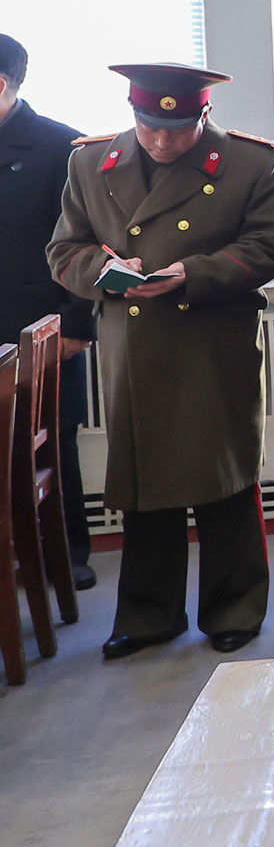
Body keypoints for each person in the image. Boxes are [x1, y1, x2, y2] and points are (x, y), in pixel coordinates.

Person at [47, 63, 274, 658]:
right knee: (143, 480)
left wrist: (193, 273)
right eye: (149, 126)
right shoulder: (91, 162)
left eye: (177, 129)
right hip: (134, 346)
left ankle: (234, 607)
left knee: (225, 480)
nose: (161, 141)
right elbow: (64, 248)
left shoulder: (253, 163)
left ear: (203, 115)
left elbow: (271, 245)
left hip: (212, 342)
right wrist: (105, 276)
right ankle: (149, 614)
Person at [0, 33, 98, 591]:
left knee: (52, 447)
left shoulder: (62, 147)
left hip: (43, 329)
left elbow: (91, 244)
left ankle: (67, 553)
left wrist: (78, 326)